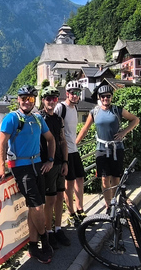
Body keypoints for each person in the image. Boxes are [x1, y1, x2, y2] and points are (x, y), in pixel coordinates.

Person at [0, 84, 56, 264]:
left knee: (35, 207)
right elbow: (2, 144)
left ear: (34, 100)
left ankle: (33, 246)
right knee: (37, 207)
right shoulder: (12, 118)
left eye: (30, 98)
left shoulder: (37, 119)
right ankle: (45, 239)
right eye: (23, 98)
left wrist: (50, 160)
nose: (26, 101)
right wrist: (1, 168)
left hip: (37, 164)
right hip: (21, 167)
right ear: (18, 99)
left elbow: (51, 139)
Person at [76, 85, 139, 211]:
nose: (106, 99)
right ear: (99, 98)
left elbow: (135, 120)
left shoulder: (117, 110)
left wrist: (124, 132)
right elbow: (85, 129)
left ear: (111, 97)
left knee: (116, 178)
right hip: (101, 148)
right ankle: (108, 204)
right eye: (103, 97)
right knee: (104, 179)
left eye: (108, 96)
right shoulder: (94, 112)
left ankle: (115, 202)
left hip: (117, 148)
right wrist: (75, 143)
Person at [38, 86, 71, 249]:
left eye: (54, 99)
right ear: (43, 100)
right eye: (48, 99)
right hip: (46, 164)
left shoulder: (58, 119)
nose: (51, 101)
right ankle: (48, 231)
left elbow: (63, 141)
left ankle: (58, 228)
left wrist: (65, 162)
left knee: (60, 197)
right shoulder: (39, 118)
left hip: (59, 163)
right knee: (49, 200)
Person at [54, 81, 86, 227]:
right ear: (67, 93)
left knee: (80, 179)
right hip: (65, 152)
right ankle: (71, 213)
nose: (75, 95)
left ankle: (80, 210)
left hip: (75, 150)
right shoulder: (61, 108)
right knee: (69, 183)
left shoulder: (75, 108)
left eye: (78, 93)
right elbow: (54, 127)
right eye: (72, 93)